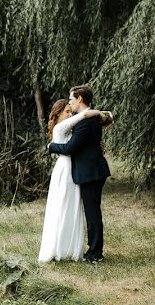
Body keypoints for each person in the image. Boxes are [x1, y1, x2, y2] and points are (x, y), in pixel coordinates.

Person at [38, 97, 110, 263]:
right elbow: (69, 147)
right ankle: (63, 248)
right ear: (57, 114)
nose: (70, 114)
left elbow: (74, 144)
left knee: (74, 211)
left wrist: (51, 147)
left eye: (71, 110)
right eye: (67, 112)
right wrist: (90, 113)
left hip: (78, 170)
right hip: (66, 171)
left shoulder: (75, 125)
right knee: (63, 208)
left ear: (79, 99)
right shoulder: (62, 126)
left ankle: (74, 249)